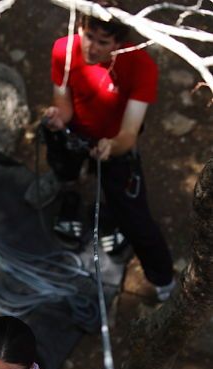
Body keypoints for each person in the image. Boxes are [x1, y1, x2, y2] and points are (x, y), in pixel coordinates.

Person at [43, 2, 175, 302]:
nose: (91, 48)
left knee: (135, 215)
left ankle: (164, 281)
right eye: (88, 36)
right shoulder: (64, 50)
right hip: (76, 132)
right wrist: (58, 118)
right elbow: (63, 102)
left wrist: (113, 146)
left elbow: (129, 132)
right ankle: (71, 195)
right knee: (62, 163)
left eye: (103, 42)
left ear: (119, 44)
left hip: (114, 144)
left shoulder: (141, 67)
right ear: (80, 29)